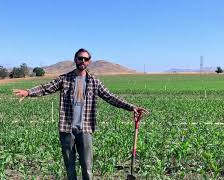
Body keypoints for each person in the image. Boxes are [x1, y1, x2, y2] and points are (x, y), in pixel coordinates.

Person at [13, 48, 149, 180]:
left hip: (85, 129)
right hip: (67, 129)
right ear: (75, 60)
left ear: (89, 62)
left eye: (86, 59)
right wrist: (28, 92)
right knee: (70, 167)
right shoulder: (64, 79)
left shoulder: (94, 82)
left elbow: (110, 97)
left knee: (87, 168)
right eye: (80, 58)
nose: (83, 61)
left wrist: (131, 107)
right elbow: (46, 88)